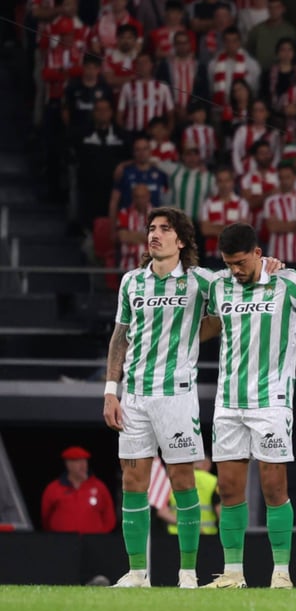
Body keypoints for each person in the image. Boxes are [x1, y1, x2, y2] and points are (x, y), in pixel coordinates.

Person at [199, 223, 296, 589]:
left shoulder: (289, 283)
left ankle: (281, 573)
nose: (236, 270)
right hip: (228, 401)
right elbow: (209, 324)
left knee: (274, 489)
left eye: (241, 262)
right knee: (228, 490)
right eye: (229, 264)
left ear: (258, 253)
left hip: (272, 402)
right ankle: (232, 573)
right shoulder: (218, 286)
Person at [103, 207, 219, 588]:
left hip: (177, 398)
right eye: (151, 229)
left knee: (183, 481)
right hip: (134, 397)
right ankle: (137, 572)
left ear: (181, 240)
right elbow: (120, 337)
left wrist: (267, 264)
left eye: (164, 229)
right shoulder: (132, 282)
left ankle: (187, 573)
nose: (154, 235)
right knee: (132, 481)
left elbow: (237, 297)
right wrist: (110, 391)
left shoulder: (202, 282)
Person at [41, 447, 116, 534]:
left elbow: (109, 517)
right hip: (62, 543)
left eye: (84, 461)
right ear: (68, 464)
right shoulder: (53, 488)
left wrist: (99, 538)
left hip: (93, 543)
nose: (83, 465)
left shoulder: (99, 487)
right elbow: (45, 518)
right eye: (78, 461)